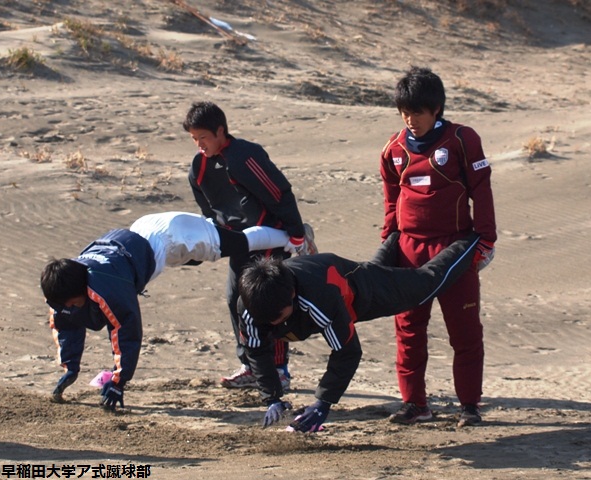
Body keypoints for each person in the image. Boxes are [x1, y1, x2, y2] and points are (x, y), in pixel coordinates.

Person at [41, 211, 292, 410]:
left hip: (170, 236)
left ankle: (294, 237)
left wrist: (119, 380)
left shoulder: (108, 288)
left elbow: (126, 332)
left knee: (239, 243)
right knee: (225, 237)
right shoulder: (68, 280)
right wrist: (70, 367)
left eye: (72, 302)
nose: (70, 308)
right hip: (142, 232)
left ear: (83, 288)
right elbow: (65, 321)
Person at [237, 232, 480, 432]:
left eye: (278, 318)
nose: (271, 325)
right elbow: (256, 351)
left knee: (425, 284)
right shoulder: (250, 306)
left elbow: (347, 351)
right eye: (265, 320)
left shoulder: (319, 299)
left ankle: (472, 242)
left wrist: (323, 403)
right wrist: (273, 399)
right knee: (377, 269)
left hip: (359, 292)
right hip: (336, 281)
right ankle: (397, 233)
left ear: (291, 295)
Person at [379, 66, 497, 427]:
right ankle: (415, 404)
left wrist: (486, 239)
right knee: (408, 331)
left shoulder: (462, 139)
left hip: (454, 249)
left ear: (436, 109)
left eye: (417, 112)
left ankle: (469, 406)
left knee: (464, 332)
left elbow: (482, 189)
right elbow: (391, 201)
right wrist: (387, 244)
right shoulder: (393, 149)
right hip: (409, 250)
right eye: (404, 112)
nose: (410, 120)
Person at [184, 101, 316, 391]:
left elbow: (279, 192)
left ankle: (278, 370)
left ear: (220, 131)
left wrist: (295, 233)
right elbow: (208, 209)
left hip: (270, 236)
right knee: (235, 299)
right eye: (194, 139)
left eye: (203, 137)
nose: (199, 145)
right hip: (240, 241)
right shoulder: (199, 167)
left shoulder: (244, 156)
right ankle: (251, 366)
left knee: (265, 301)